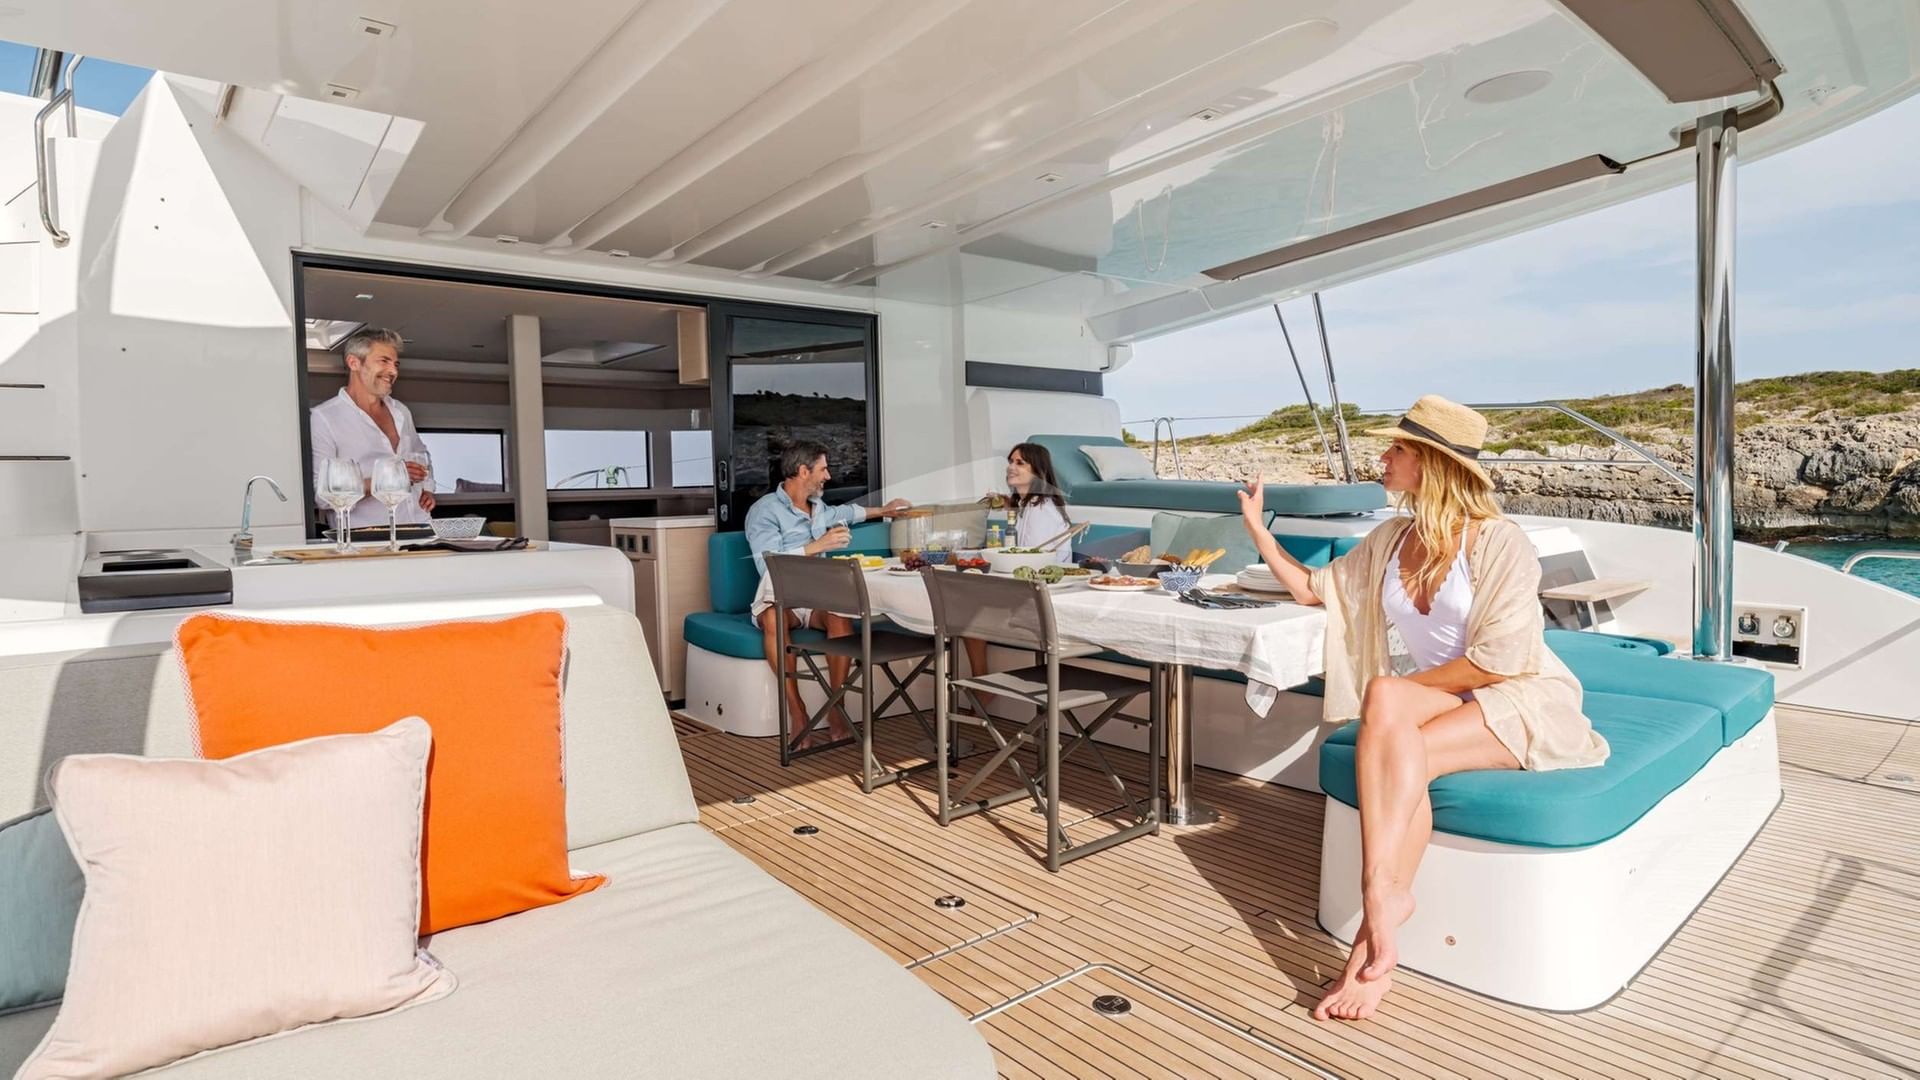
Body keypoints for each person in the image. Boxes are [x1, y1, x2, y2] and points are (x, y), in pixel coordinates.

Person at [1236, 395, 1607, 1023]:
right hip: (1442, 700)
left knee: (1388, 701)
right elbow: (1312, 589)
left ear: (1431, 463)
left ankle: (1372, 919)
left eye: (1397, 448)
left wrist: (1403, 696)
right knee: (1396, 722)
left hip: (1520, 696)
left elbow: (1499, 662)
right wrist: (1256, 528)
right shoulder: (1389, 540)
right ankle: (1384, 916)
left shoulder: (1500, 542)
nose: (1383, 457)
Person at [745, 442, 911, 748]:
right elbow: (766, 564)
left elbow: (848, 512)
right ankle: (797, 711)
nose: (828, 476)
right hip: (782, 598)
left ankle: (837, 706)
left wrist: (884, 511)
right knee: (772, 617)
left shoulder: (819, 508)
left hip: (817, 599)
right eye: (823, 469)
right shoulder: (764, 511)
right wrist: (817, 546)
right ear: (803, 471)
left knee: (840, 613)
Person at [964, 443, 1074, 690]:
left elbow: (1033, 562)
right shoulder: (1029, 505)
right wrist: (1010, 507)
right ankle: (981, 686)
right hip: (1032, 591)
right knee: (965, 611)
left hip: (1045, 598)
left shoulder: (1041, 509)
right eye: (1010, 461)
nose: (1010, 467)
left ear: (1038, 471)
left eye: (1020, 463)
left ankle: (982, 687)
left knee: (967, 616)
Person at [309, 327, 435, 529]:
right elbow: (322, 495)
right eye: (384, 361)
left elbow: (420, 453)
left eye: (396, 364)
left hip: (421, 529)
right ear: (354, 363)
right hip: (365, 539)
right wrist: (386, 479)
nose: (393, 371)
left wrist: (427, 488)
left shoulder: (401, 411)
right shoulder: (324, 418)